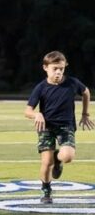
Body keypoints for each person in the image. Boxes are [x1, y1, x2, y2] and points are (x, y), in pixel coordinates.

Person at [24, 51, 93, 203]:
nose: (58, 72)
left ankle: (58, 158)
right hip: (46, 128)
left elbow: (86, 92)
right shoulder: (41, 87)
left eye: (61, 69)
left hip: (66, 126)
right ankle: (46, 190)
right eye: (55, 68)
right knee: (46, 162)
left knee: (67, 156)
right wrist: (37, 115)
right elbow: (27, 110)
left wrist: (85, 113)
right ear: (45, 68)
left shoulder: (72, 83)